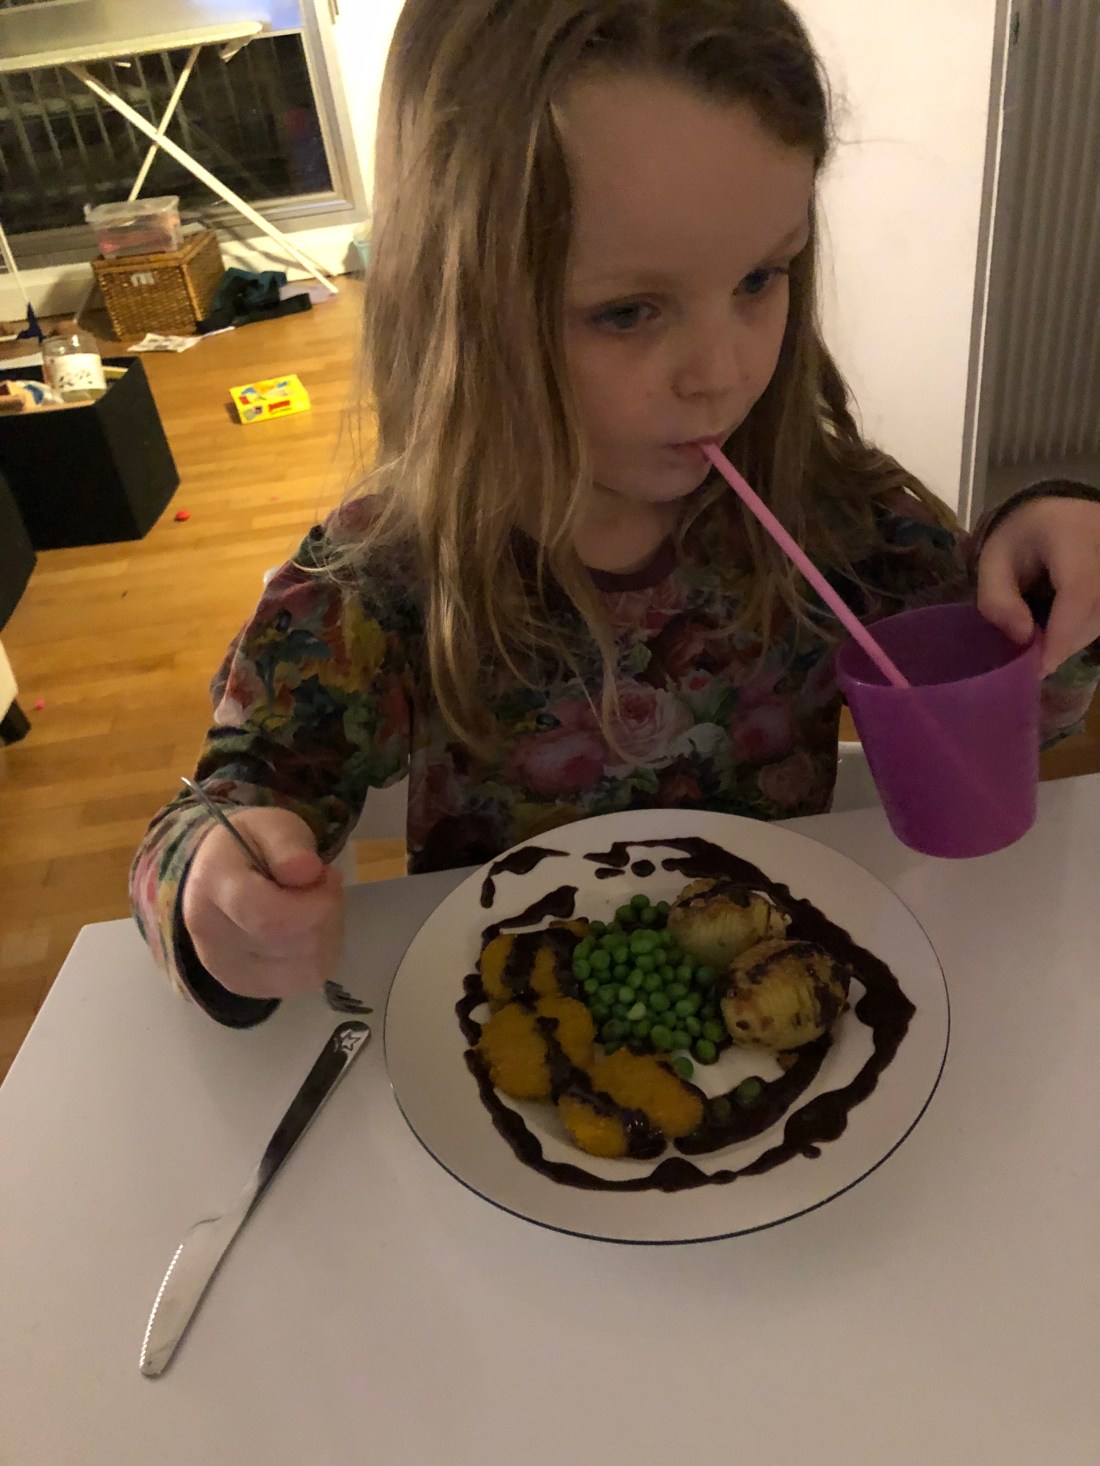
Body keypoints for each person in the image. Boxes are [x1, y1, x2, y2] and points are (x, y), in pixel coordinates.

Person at [131, 0, 1100, 1026]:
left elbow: (1015, 723)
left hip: (781, 1034)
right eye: (627, 311)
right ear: (465, 308)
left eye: (760, 278)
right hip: (510, 1045)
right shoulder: (383, 576)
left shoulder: (831, 515)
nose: (721, 372)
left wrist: (1053, 568)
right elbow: (222, 806)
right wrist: (216, 892)